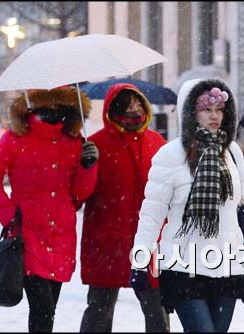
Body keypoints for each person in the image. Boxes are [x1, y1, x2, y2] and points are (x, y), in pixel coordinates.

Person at [130, 78, 244, 332]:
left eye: (219, 110)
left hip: (227, 263)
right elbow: (152, 214)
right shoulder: (170, 156)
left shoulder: (232, 152)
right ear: (191, 112)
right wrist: (140, 260)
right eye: (206, 109)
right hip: (183, 264)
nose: (214, 116)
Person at [0, 87, 99, 333]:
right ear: (32, 107)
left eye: (59, 108)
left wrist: (89, 166)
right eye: (47, 107)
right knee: (42, 306)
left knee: (49, 307)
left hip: (62, 236)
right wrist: (10, 217)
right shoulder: (15, 139)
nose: (53, 113)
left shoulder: (75, 141)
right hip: (28, 236)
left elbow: (79, 194)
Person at [79, 83, 169, 332]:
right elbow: (79, 197)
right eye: (128, 105)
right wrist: (86, 167)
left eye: (138, 104)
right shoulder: (96, 144)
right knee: (99, 312)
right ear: (114, 108)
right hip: (107, 240)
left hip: (150, 240)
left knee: (157, 313)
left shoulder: (157, 142)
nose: (134, 109)